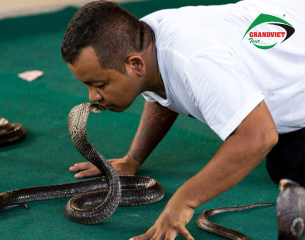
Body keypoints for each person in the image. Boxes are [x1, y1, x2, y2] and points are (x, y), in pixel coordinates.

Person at [60, 0, 305, 239]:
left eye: (100, 84)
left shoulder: (195, 60)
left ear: (136, 65)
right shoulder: (140, 42)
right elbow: (164, 92)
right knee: (285, 164)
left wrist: (184, 201)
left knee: (287, 166)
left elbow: (259, 136)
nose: (93, 96)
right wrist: (132, 160)